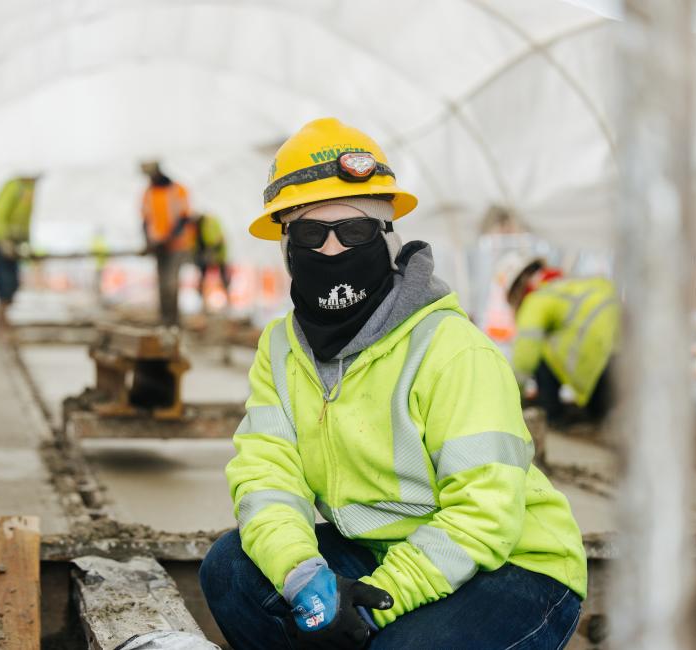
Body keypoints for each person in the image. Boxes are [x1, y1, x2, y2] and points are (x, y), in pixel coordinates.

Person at [199, 118, 586, 649]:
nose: (332, 251)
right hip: (377, 547)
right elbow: (267, 473)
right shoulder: (282, 347)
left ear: (386, 235)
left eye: (353, 231)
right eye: (311, 234)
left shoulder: (452, 348)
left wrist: (378, 601)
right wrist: (304, 577)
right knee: (230, 568)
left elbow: (483, 514)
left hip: (511, 565)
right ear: (285, 243)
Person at [499, 253, 620, 426]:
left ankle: (553, 416)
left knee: (539, 352)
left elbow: (524, 359)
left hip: (597, 366)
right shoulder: (570, 285)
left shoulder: (536, 300)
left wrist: (513, 398)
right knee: (599, 412)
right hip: (621, 359)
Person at [140, 161, 193, 325]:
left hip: (176, 245)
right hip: (159, 246)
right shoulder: (148, 193)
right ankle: (164, 320)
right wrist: (149, 242)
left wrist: (169, 237)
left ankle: (173, 321)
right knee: (162, 284)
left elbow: (184, 218)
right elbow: (145, 220)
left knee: (170, 283)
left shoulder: (178, 190)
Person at [0, 176, 37, 329]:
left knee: (13, 280)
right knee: (4, 276)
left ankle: (3, 312)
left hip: (13, 239)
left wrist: (27, 244)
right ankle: (1, 315)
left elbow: (25, 220)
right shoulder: (14, 186)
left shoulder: (29, 189)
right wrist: (2, 240)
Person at [191, 212, 231, 310]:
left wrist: (210, 254)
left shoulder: (207, 225)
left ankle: (226, 300)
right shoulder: (205, 224)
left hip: (216, 254)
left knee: (222, 277)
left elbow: (215, 241)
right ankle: (202, 302)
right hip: (212, 254)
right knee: (206, 276)